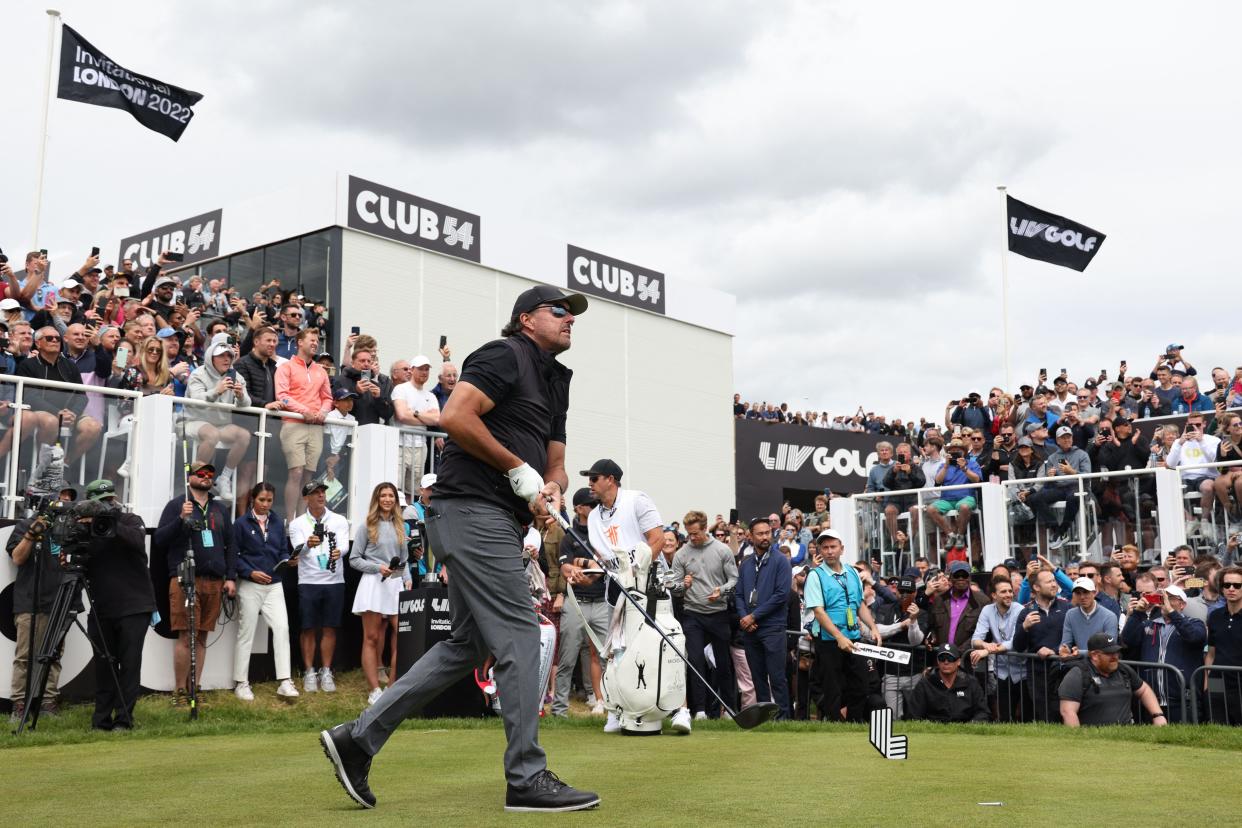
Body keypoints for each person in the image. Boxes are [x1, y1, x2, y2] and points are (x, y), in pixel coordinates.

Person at [320, 285, 598, 813]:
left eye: (572, 314)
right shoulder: (505, 353)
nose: (569, 320)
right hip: (472, 507)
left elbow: (556, 457)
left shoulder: (556, 380)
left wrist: (552, 486)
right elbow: (457, 417)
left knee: (466, 645)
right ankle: (526, 777)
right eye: (558, 311)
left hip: (493, 516)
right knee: (519, 634)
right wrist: (517, 468)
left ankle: (356, 740)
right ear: (524, 319)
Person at [580, 458, 688, 734]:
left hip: (649, 583)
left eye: (594, 478)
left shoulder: (636, 500)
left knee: (666, 645)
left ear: (611, 479)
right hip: (617, 587)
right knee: (617, 651)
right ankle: (617, 710)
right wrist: (587, 574)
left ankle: (680, 710)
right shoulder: (593, 517)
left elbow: (658, 540)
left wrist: (636, 569)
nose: (590, 484)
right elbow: (604, 560)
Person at [153, 461, 237, 705]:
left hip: (214, 581)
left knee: (201, 637)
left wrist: (230, 577)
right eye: (200, 473)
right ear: (189, 477)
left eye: (210, 473)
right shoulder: (177, 504)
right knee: (185, 635)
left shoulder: (220, 508)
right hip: (184, 578)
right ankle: (179, 692)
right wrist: (181, 519)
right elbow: (159, 540)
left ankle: (195, 689)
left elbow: (231, 545)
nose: (206, 476)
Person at [76, 480, 156, 730]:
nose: (107, 505)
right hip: (102, 608)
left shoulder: (131, 520)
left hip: (135, 606)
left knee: (129, 664)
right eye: (101, 503)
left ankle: (124, 719)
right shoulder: (85, 530)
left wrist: (108, 520)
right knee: (104, 666)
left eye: (110, 500)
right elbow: (76, 561)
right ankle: (101, 720)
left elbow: (135, 540)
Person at [6, 487, 77, 722]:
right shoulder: (25, 525)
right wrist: (32, 533)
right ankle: (19, 703)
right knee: (25, 656)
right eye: (61, 497)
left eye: (68, 499)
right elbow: (17, 558)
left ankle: (48, 701)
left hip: (61, 599)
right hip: (30, 600)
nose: (64, 502)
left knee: (54, 655)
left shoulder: (72, 527)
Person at [804, 528, 881, 722]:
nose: (829, 551)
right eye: (825, 547)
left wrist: (873, 627)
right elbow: (819, 612)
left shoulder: (853, 573)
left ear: (841, 549)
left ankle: (853, 724)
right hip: (829, 640)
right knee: (833, 689)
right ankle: (835, 726)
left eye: (833, 547)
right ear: (819, 551)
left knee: (861, 685)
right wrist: (839, 637)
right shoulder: (815, 575)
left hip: (853, 638)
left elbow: (859, 604)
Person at [231, 482, 299, 701]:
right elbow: (234, 556)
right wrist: (250, 573)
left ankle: (285, 681)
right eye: (262, 500)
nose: (265, 504)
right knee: (246, 632)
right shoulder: (241, 524)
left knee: (282, 629)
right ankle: (241, 682)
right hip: (250, 584)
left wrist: (288, 560)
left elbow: (281, 550)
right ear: (253, 499)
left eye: (269, 500)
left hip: (274, 584)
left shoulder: (278, 522)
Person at [670, 509, 739, 721]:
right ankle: (699, 711)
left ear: (705, 528)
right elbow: (674, 587)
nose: (692, 538)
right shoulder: (681, 554)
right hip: (692, 615)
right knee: (696, 662)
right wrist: (683, 585)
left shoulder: (722, 550)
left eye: (695, 534)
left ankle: (728, 709)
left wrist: (722, 591)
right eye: (689, 534)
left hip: (718, 613)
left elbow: (734, 580)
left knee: (723, 664)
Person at [350, 482, 412, 706]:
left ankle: (392, 687)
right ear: (377, 499)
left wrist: (406, 579)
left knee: (402, 635)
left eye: (391, 496)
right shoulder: (367, 525)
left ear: (395, 500)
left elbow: (404, 560)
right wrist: (377, 568)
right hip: (373, 584)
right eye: (383, 495)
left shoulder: (400, 526)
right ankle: (374, 689)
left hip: (394, 583)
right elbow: (354, 559)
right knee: (372, 637)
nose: (387, 499)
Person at [550, 487, 609, 718]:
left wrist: (583, 566)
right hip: (576, 602)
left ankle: (612, 708)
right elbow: (565, 567)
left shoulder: (603, 533)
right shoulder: (569, 536)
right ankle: (559, 711)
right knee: (567, 657)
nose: (596, 509)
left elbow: (606, 566)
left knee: (608, 658)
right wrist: (580, 569)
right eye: (591, 505)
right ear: (579, 508)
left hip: (603, 603)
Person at [288, 480, 349, 692]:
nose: (321, 495)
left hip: (334, 581)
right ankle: (309, 671)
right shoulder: (297, 524)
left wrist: (339, 552)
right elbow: (296, 551)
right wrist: (307, 544)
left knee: (330, 627)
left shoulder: (339, 520)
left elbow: (344, 545)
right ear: (306, 498)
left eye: (322, 491)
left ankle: (326, 670)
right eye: (315, 493)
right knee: (308, 628)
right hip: (308, 581)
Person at [735, 516, 794, 720]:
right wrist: (744, 617)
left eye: (767, 532)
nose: (764, 537)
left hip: (773, 628)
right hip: (751, 630)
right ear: (751, 537)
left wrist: (753, 616)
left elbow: (781, 595)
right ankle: (764, 719)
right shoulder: (746, 564)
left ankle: (783, 719)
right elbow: (739, 595)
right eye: (760, 534)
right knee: (758, 678)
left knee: (777, 678)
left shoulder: (781, 561)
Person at [1121, 584, 1204, 721]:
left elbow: (1194, 637)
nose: (1165, 601)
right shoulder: (1149, 624)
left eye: (1170, 598)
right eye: (1162, 598)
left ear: (1182, 604)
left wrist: (1172, 613)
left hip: (1182, 699)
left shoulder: (1194, 623)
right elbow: (1128, 640)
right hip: (1151, 699)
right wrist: (1138, 613)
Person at [275, 327, 333, 517]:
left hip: (315, 426)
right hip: (293, 423)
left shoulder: (321, 371)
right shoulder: (286, 367)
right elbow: (282, 396)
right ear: (300, 342)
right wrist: (305, 411)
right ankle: (290, 520)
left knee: (308, 476)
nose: (315, 343)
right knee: (296, 472)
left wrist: (323, 411)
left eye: (317, 341)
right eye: (312, 340)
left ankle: (301, 519)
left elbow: (327, 398)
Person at [185, 342, 252, 502]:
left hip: (221, 424)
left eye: (229, 355)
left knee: (243, 435)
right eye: (221, 355)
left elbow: (247, 403)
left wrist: (241, 396)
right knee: (212, 434)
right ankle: (197, 477)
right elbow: (195, 400)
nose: (226, 359)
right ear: (211, 357)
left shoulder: (236, 375)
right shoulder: (198, 374)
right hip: (194, 420)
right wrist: (216, 391)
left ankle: (223, 478)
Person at [1059, 632, 1168, 727]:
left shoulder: (1124, 670)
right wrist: (1080, 742)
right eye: (1109, 653)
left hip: (1126, 737)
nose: (1115, 656)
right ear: (1094, 655)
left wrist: (1158, 715)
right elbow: (1068, 711)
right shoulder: (1078, 674)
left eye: (1116, 652)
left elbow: (1144, 690)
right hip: (1094, 739)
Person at [1013, 568, 1071, 722]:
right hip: (1037, 673)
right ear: (1036, 587)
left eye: (1054, 581)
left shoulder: (1067, 608)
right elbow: (1018, 646)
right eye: (1049, 582)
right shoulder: (1026, 612)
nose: (1054, 585)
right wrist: (1024, 627)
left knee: (1064, 714)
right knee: (1044, 716)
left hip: (1064, 669)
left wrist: (1053, 650)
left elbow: (1073, 639)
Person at [970, 576, 1028, 721]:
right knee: (1005, 717)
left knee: (1026, 717)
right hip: (1002, 671)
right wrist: (985, 645)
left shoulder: (1020, 609)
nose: (1009, 594)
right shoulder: (987, 610)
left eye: (1010, 591)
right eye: (1003, 592)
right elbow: (975, 639)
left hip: (1024, 670)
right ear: (994, 595)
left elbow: (1014, 642)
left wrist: (988, 650)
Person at [390, 354, 441, 500]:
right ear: (412, 370)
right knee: (396, 486)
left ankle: (409, 518)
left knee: (412, 489)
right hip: (400, 443)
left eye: (426, 369)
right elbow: (402, 415)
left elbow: (437, 419)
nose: (424, 372)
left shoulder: (430, 396)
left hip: (420, 446)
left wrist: (415, 413)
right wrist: (426, 418)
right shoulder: (401, 389)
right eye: (420, 369)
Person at [904, 643, 989, 723]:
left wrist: (972, 725)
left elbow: (983, 712)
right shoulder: (925, 684)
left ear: (958, 662)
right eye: (942, 658)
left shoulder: (971, 682)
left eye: (950, 658)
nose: (946, 662)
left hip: (965, 729)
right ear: (938, 661)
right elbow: (913, 715)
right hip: (933, 731)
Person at [1205, 565, 1242, 724]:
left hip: (1240, 681)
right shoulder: (1214, 616)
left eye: (1237, 585)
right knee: (1217, 727)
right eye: (1227, 585)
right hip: (1217, 681)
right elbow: (1211, 653)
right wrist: (1207, 684)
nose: (1231, 589)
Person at [1059, 576, 1119, 658]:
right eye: (1078, 593)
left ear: (1094, 593)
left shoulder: (1109, 616)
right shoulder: (1070, 614)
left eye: (1086, 592)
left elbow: (1108, 648)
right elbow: (1066, 643)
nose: (1082, 597)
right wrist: (1064, 649)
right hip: (1080, 664)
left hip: (1102, 665)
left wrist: (1080, 653)